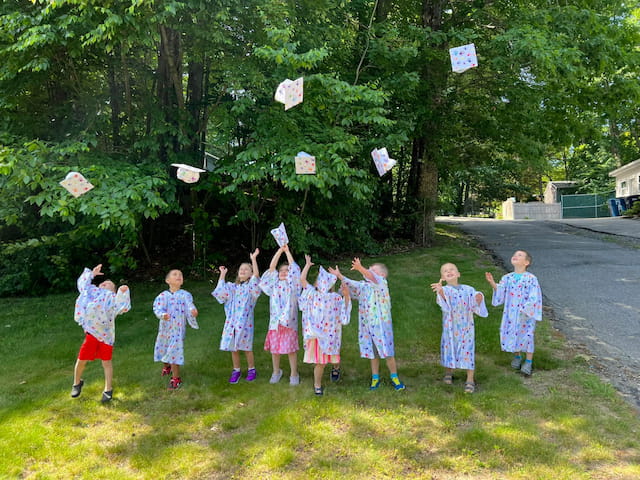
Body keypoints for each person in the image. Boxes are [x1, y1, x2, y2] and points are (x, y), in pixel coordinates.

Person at [329, 258, 405, 391]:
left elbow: (372, 277)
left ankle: (394, 377)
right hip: (367, 327)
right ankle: (375, 378)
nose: (369, 271)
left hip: (381, 327)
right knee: (373, 354)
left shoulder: (382, 283)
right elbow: (352, 284)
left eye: (373, 270)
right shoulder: (365, 286)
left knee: (388, 353)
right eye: (370, 269)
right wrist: (340, 276)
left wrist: (360, 268)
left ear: (382, 275)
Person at [71, 264, 131, 403]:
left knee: (107, 362)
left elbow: (122, 306)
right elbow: (82, 285)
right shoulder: (91, 291)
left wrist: (123, 292)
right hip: (91, 334)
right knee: (81, 360)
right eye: (104, 282)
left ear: (113, 290)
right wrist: (92, 274)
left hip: (106, 337)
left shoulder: (112, 298)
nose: (105, 283)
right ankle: (76, 383)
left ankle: (108, 389)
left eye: (109, 284)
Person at [431, 263, 488, 393]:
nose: (449, 271)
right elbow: (445, 304)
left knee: (468, 349)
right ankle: (448, 372)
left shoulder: (468, 289)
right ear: (443, 277)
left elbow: (474, 304)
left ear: (458, 274)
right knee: (449, 347)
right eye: (445, 271)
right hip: (450, 326)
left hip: (467, 326)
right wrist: (440, 291)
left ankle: (470, 379)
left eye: (452, 269)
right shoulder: (445, 290)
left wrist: (479, 299)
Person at [299, 255, 351, 396]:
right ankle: (317, 385)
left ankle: (335, 368)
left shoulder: (335, 298)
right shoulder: (312, 294)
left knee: (334, 356)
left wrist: (346, 295)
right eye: (318, 280)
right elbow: (302, 280)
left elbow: (343, 314)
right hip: (316, 334)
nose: (320, 283)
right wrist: (307, 265)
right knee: (320, 362)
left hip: (330, 335)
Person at [485, 250, 542, 376]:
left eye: (520, 255)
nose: (515, 256)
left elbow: (534, 296)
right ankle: (517, 356)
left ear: (527, 262)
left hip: (525, 314)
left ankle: (528, 360)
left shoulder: (531, 279)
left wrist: (526, 309)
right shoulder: (507, 278)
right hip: (511, 313)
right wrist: (492, 283)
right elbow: (501, 292)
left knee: (527, 335)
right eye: (514, 255)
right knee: (512, 332)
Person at [212, 249, 262, 384]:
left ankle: (252, 369)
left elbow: (256, 277)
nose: (243, 270)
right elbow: (221, 293)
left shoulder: (250, 288)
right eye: (241, 269)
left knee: (246, 347)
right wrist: (222, 274)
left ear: (250, 274)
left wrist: (253, 260)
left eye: (247, 269)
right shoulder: (232, 287)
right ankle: (236, 370)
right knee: (233, 348)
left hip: (245, 323)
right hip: (231, 323)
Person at [259, 244, 301, 385]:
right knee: (275, 350)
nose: (284, 272)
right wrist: (279, 251)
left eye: (286, 270)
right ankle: (276, 371)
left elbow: (294, 269)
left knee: (291, 350)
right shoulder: (274, 285)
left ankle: (294, 373)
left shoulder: (293, 285)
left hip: (289, 322)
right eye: (281, 270)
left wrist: (288, 251)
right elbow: (271, 269)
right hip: (275, 323)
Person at [152, 269, 199, 390]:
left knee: (174, 351)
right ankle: (167, 366)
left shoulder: (185, 295)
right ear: (168, 280)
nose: (178, 276)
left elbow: (190, 305)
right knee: (164, 347)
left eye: (180, 275)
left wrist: (193, 311)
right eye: (175, 274)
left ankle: (176, 378)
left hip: (178, 329)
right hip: (165, 329)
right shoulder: (162, 296)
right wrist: (162, 315)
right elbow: (157, 308)